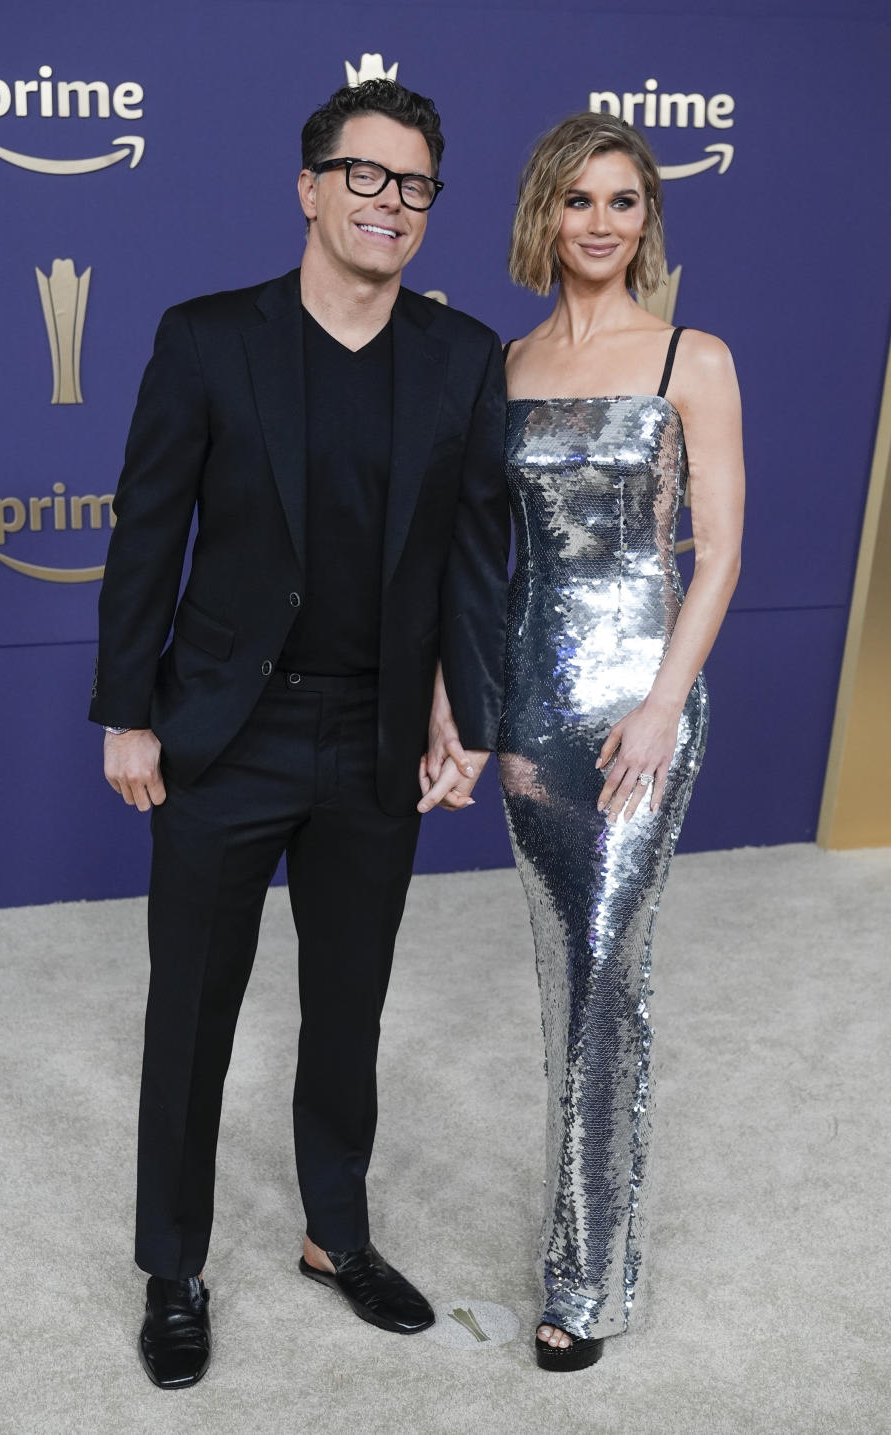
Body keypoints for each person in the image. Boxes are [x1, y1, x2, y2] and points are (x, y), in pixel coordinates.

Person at [89, 78, 510, 1389]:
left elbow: (473, 554)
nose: (391, 203)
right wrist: (126, 710)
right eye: (366, 176)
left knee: (346, 1006)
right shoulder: (210, 339)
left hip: (375, 736)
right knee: (193, 1012)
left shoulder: (462, 357)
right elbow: (149, 530)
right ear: (311, 186)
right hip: (225, 732)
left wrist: (468, 709)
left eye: (416, 185)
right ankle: (174, 1261)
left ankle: (337, 1230)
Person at [498, 112, 744, 1368]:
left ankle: (588, 1280)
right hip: (534, 715)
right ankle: (585, 1237)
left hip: (644, 710)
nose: (602, 224)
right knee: (564, 986)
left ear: (651, 221)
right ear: (546, 212)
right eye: (581, 201)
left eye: (626, 204)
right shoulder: (507, 364)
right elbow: (494, 569)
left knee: (606, 979)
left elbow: (721, 554)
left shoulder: (691, 358)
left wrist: (659, 707)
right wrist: (473, 711)